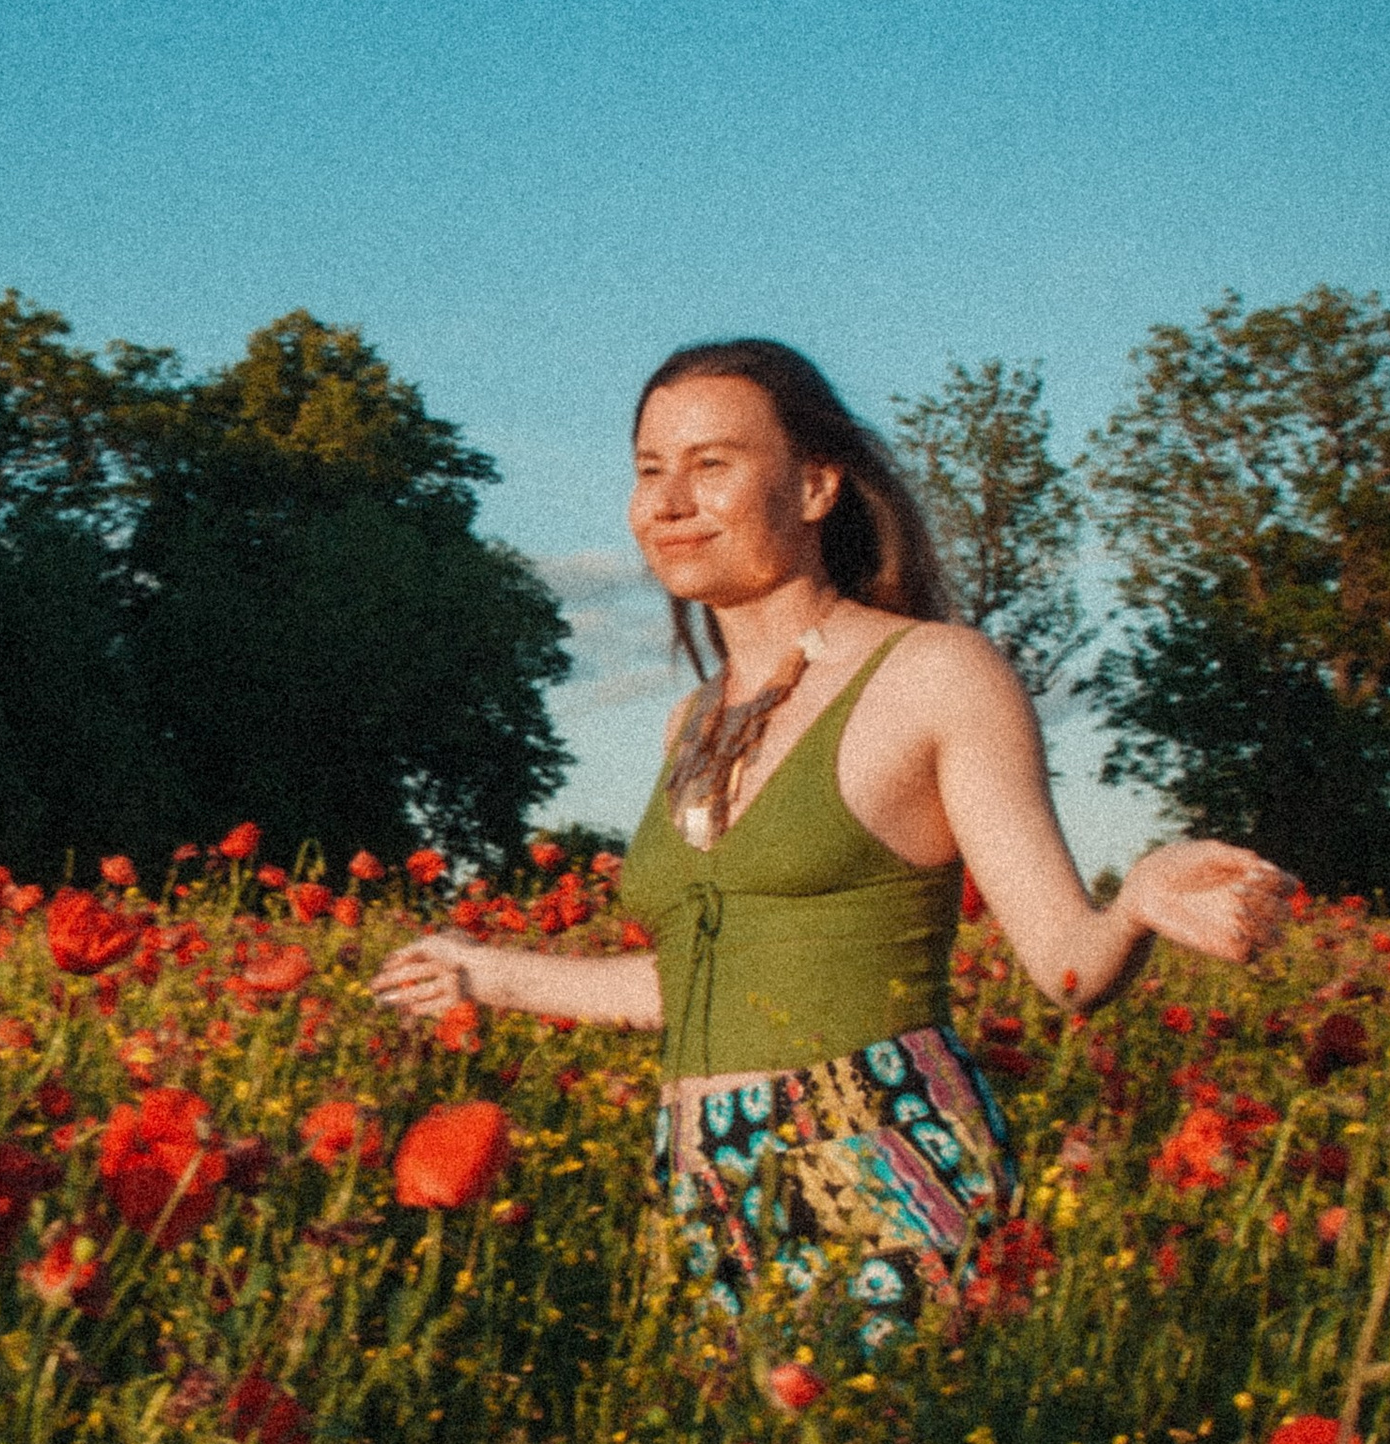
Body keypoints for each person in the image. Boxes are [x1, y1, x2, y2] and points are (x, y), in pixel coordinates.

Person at [371, 339, 1291, 1337]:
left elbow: (1066, 964)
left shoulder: (934, 672)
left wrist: (1142, 896)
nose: (667, 501)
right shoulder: (694, 720)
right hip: (699, 1164)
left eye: (710, 463)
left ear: (814, 486)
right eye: (648, 469)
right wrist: (481, 974)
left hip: (876, 1145)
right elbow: (703, 984)